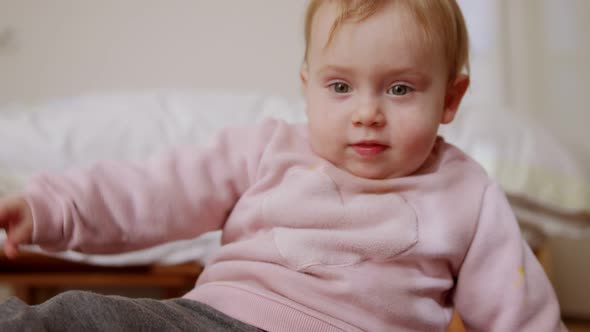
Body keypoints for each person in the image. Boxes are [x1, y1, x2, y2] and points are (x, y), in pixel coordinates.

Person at [0, 0, 566, 331]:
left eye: (399, 89)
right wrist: (48, 207)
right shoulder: (267, 149)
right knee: (76, 315)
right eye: (340, 86)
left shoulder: (466, 191)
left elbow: (521, 314)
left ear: (450, 99)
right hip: (216, 323)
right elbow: (154, 191)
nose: (366, 114)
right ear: (308, 89)